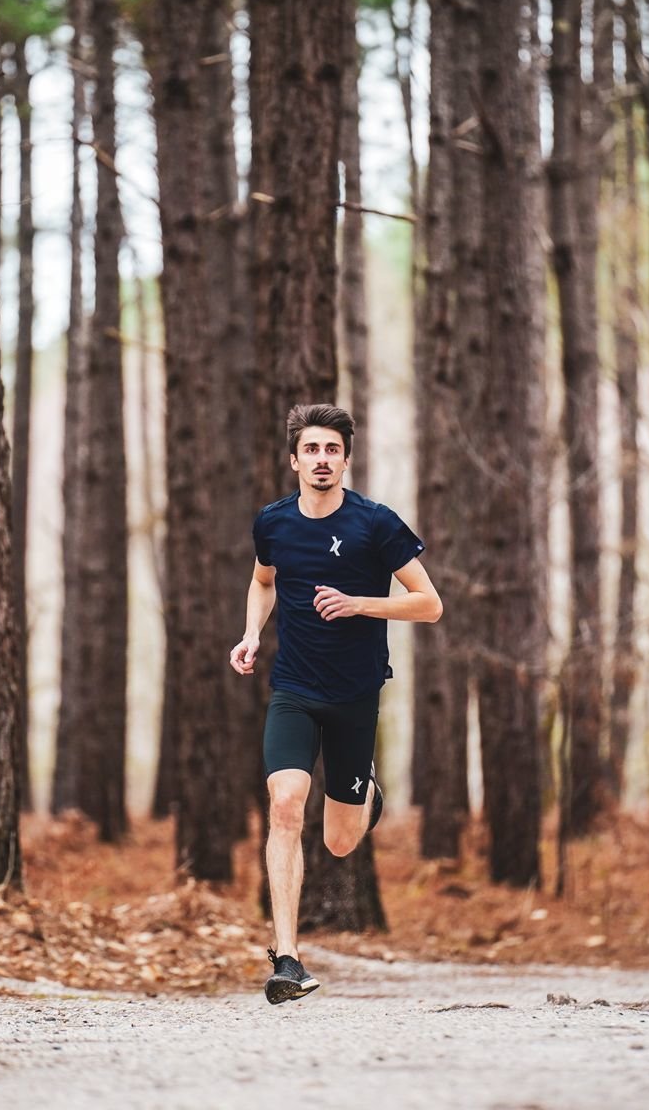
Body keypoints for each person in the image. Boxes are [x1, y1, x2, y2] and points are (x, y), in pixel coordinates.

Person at [230, 403, 442, 1005]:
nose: (322, 461)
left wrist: (359, 604)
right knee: (285, 805)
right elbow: (263, 580)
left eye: (332, 451)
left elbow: (429, 604)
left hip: (354, 695)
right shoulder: (272, 523)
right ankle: (288, 958)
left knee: (340, 842)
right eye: (312, 450)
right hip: (293, 689)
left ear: (346, 459)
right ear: (295, 459)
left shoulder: (376, 525)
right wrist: (251, 635)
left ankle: (366, 793)